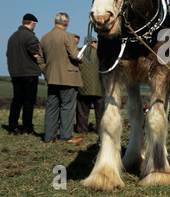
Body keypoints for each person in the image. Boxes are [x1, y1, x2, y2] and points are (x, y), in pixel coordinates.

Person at [37, 13, 84, 143]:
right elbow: (75, 56)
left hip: (51, 78)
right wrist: (82, 55)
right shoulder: (68, 36)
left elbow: (40, 59)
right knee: (67, 108)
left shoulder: (44, 37)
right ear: (67, 23)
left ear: (54, 21)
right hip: (68, 78)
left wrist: (46, 71)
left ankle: (49, 137)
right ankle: (66, 136)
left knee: (51, 108)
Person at [6, 13, 41, 135]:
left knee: (17, 101)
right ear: (32, 23)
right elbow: (37, 55)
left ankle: (13, 127)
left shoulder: (12, 37)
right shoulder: (30, 37)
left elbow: (7, 54)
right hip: (29, 73)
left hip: (15, 74)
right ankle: (27, 128)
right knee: (28, 102)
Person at [76, 36, 104, 134]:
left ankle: (82, 130)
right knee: (100, 113)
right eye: (95, 43)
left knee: (82, 112)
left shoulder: (79, 53)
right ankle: (101, 130)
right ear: (93, 43)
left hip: (83, 88)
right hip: (99, 89)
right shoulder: (99, 54)